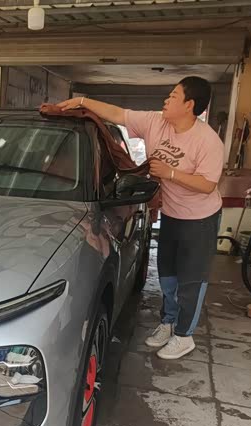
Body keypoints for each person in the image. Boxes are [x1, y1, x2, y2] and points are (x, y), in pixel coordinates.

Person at [57, 76, 224, 360]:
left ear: (189, 105)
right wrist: (82, 101)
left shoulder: (208, 141)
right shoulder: (155, 122)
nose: (166, 100)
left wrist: (170, 173)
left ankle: (184, 336)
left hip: (200, 220)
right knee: (168, 277)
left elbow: (208, 184)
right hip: (171, 214)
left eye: (173, 96)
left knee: (190, 281)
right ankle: (168, 322)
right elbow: (118, 114)